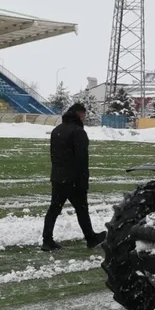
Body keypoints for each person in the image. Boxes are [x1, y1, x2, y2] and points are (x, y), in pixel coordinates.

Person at [42, 103, 105, 251]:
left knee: (54, 209)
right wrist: (83, 180)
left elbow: (54, 155)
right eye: (83, 115)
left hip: (58, 177)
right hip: (73, 179)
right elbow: (82, 159)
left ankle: (47, 239)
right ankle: (91, 238)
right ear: (79, 115)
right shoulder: (78, 132)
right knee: (82, 208)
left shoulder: (56, 130)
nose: (84, 118)